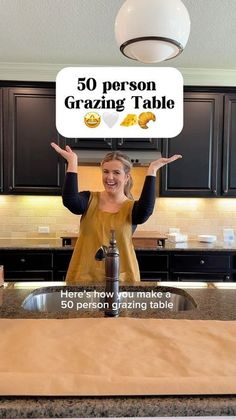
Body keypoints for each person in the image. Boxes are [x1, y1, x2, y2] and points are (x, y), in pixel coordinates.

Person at [51, 142, 182, 284]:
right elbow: (70, 201)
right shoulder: (88, 199)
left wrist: (152, 170)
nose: (110, 177)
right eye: (106, 171)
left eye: (116, 172)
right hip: (85, 278)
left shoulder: (133, 208)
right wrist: (72, 162)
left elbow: (145, 211)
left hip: (122, 281)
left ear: (126, 177)